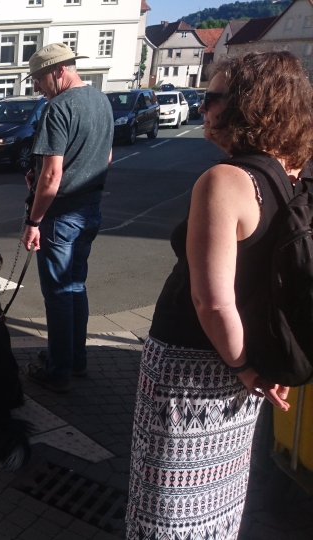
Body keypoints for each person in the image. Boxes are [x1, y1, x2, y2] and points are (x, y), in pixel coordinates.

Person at [125, 51, 310, 540]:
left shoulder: (225, 181)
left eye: (211, 98)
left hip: (194, 367)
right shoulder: (294, 177)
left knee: (166, 507)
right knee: (217, 503)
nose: (202, 109)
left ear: (247, 104)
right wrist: (257, 368)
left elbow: (212, 302)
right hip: (249, 364)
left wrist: (243, 367)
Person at [19, 43, 114, 393]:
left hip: (60, 216)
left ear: (59, 71)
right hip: (91, 207)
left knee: (58, 293)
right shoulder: (101, 101)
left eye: (39, 79)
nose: (36, 88)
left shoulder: (58, 108)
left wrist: (33, 221)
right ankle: (75, 359)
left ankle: (58, 370)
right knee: (75, 287)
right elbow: (106, 156)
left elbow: (50, 176)